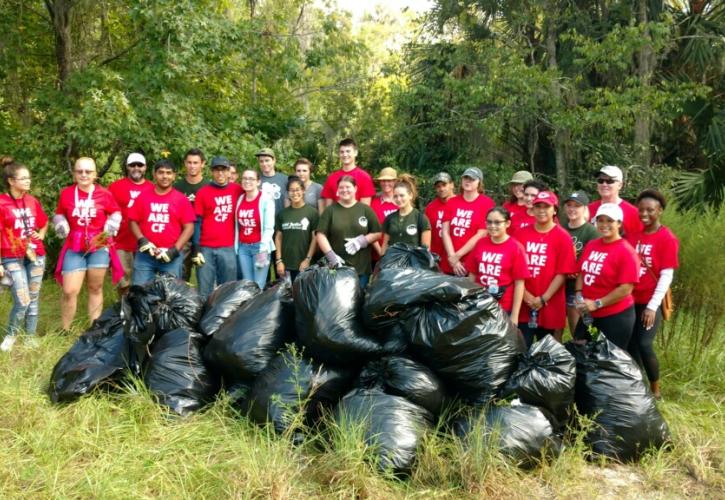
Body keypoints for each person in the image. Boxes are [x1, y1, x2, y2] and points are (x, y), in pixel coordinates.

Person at [52, 157, 123, 331]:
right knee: (70, 290)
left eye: (88, 171)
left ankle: (95, 328)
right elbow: (59, 213)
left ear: (95, 174)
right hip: (75, 245)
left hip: (98, 245)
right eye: (80, 171)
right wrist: (60, 222)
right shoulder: (67, 193)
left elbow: (116, 212)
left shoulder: (104, 194)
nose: (84, 175)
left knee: (95, 287)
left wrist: (111, 225)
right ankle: (66, 329)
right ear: (74, 173)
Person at [625, 189, 679, 399]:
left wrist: (652, 306)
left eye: (650, 210)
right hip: (630, 299)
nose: (645, 214)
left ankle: (655, 389)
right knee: (631, 344)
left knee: (644, 343)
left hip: (649, 301)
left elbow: (666, 276)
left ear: (660, 211)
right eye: (641, 210)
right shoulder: (633, 235)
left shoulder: (666, 238)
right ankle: (639, 387)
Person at [575, 203, 640, 350]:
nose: (604, 224)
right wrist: (579, 296)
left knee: (608, 363)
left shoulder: (626, 251)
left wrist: (597, 303)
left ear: (619, 223)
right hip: (588, 313)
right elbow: (582, 272)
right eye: (600, 220)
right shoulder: (592, 245)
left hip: (615, 315)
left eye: (609, 221)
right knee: (580, 352)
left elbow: (626, 288)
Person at [515, 191, 577, 347]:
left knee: (548, 350)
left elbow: (563, 272)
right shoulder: (520, 234)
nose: (541, 210)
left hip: (551, 302)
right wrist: (526, 296)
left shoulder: (563, 237)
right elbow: (513, 268)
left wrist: (544, 298)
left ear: (554, 210)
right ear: (533, 209)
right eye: (538, 206)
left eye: (546, 207)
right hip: (524, 302)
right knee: (522, 347)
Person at [0, 159, 48, 351]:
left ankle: (29, 336)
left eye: (29, 178)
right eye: (24, 178)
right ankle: (11, 335)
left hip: (35, 255)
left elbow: (44, 222)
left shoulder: (32, 201)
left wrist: (41, 235)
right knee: (23, 298)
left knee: (34, 297)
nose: (28, 181)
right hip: (12, 256)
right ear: (11, 181)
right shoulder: (2, 203)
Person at [128, 159, 196, 284]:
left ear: (174, 176)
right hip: (146, 255)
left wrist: (175, 250)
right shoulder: (143, 197)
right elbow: (132, 221)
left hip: (171, 255)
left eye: (169, 173)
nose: (165, 176)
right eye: (161, 172)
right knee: (139, 292)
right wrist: (141, 239)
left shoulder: (181, 199)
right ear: (154, 174)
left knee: (169, 295)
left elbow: (189, 227)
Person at [465, 207, 529, 326]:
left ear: (507, 223)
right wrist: (468, 301)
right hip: (480, 302)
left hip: (503, 305)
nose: (492, 226)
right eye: (489, 222)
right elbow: (472, 274)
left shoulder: (515, 247)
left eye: (497, 222)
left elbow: (519, 283)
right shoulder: (481, 243)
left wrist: (514, 315)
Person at [317, 175, 381, 288]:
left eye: (348, 187)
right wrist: (331, 256)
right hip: (337, 268)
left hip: (361, 269)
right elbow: (320, 235)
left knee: (359, 301)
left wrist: (362, 241)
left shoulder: (365, 210)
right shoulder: (330, 211)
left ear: (355, 189)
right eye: (341, 187)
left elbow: (377, 233)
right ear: (337, 190)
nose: (344, 190)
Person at [192, 156, 242, 298]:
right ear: (211, 172)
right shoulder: (203, 192)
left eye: (224, 170)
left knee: (227, 288)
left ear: (229, 172)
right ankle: (204, 318)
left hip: (228, 247)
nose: (220, 173)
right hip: (206, 247)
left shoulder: (237, 190)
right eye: (216, 170)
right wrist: (196, 248)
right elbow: (197, 222)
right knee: (205, 289)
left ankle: (226, 319)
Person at [108, 152, 154, 296]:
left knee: (145, 282)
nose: (136, 168)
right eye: (132, 165)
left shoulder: (153, 187)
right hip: (121, 242)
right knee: (123, 282)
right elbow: (107, 212)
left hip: (146, 242)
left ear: (145, 167)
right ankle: (124, 310)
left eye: (139, 165)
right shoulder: (115, 187)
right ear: (127, 167)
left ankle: (143, 312)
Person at [440, 167, 495, 276]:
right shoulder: (452, 202)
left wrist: (457, 256)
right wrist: (452, 257)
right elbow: (445, 232)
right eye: (465, 178)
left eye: (472, 179)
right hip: (450, 262)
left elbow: (481, 234)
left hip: (471, 262)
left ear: (479, 182)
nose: (468, 181)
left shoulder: (487, 203)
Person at [562, 190, 600, 332]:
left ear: (584, 208)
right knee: (559, 327)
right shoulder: (562, 229)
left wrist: (575, 271)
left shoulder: (591, 232)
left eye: (576, 206)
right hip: (560, 284)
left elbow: (591, 259)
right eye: (569, 205)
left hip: (579, 287)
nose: (572, 209)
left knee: (578, 329)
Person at [235, 168, 275, 289]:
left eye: (251, 179)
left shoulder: (266, 199)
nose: (247, 181)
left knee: (258, 285)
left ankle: (258, 308)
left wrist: (262, 249)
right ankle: (250, 308)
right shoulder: (240, 199)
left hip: (260, 248)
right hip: (243, 248)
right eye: (245, 178)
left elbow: (269, 227)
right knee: (248, 285)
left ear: (258, 182)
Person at [274, 176, 319, 281]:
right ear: (288, 193)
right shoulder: (283, 214)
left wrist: (307, 260)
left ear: (303, 191)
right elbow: (278, 238)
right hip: (285, 264)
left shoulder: (312, 212)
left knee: (303, 295)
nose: (295, 193)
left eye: (297, 190)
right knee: (287, 295)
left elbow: (315, 238)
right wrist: (279, 261)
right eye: (291, 190)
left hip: (304, 264)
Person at [174, 148, 208, 281]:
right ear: (185, 164)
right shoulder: (177, 187)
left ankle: (205, 300)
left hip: (204, 237)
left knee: (205, 274)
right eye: (189, 162)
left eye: (195, 163)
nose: (192, 166)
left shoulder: (208, 186)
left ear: (202, 164)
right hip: (183, 236)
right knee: (180, 274)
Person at [380, 175, 431, 253]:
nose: (398, 199)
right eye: (395, 196)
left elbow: (426, 250)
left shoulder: (421, 218)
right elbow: (385, 245)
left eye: (402, 195)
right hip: (392, 263)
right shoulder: (390, 218)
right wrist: (382, 261)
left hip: (413, 263)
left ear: (410, 195)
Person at [588, 165, 643, 237]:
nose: (604, 184)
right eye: (600, 181)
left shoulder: (633, 213)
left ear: (620, 185)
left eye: (610, 181)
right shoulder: (587, 210)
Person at [320, 138, 376, 207]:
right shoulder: (331, 178)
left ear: (355, 153)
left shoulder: (364, 177)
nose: (345, 154)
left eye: (348, 151)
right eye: (342, 152)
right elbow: (328, 208)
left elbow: (365, 209)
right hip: (336, 216)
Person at [424, 172, 455, 264]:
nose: (441, 189)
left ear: (452, 185)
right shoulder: (430, 208)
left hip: (456, 257)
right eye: (438, 186)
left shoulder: (460, 204)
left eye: (444, 185)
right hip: (436, 257)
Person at [370, 167, 399, 259]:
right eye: (383, 181)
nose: (386, 183)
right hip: (378, 254)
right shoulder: (373, 203)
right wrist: (381, 253)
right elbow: (370, 229)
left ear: (395, 182)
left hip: (400, 254)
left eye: (389, 181)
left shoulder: (401, 201)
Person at [255, 147, 288, 215]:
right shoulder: (255, 180)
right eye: (261, 161)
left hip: (280, 221)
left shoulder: (285, 179)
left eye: (267, 160)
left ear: (274, 160)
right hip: (261, 221)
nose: (264, 164)